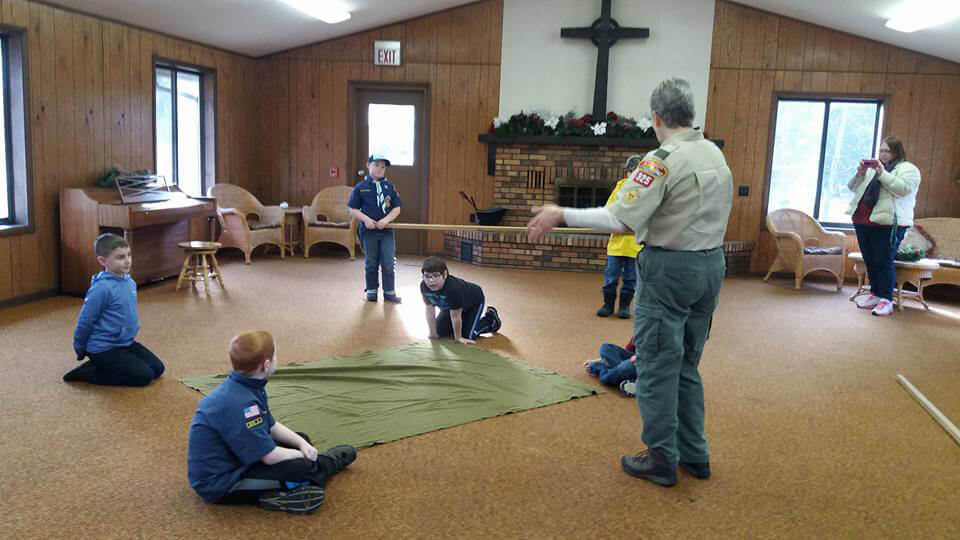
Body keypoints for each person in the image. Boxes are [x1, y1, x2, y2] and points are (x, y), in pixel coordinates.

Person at [527, 77, 733, 487]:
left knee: (656, 367)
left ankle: (660, 458)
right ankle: (695, 455)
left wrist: (560, 213)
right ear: (690, 115)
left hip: (670, 271)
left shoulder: (660, 160)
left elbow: (619, 218)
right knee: (687, 365)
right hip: (711, 267)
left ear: (656, 117)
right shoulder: (713, 153)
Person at [187, 330, 357, 515]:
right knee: (304, 468)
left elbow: (271, 425)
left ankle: (299, 478)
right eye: (275, 354)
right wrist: (301, 454)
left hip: (237, 459)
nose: (277, 357)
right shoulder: (242, 403)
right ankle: (324, 466)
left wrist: (301, 444)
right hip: (220, 483)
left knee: (301, 438)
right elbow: (269, 456)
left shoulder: (245, 385)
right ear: (266, 364)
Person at [63, 233, 165, 386]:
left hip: (123, 342)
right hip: (102, 347)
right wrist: (79, 347)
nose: (127, 260)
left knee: (157, 369)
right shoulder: (101, 288)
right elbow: (86, 320)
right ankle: (90, 371)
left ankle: (106, 365)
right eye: (120, 257)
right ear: (103, 261)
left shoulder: (129, 281)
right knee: (144, 377)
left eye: (128, 255)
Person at [846, 136, 921, 317]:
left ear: (897, 151)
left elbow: (902, 189)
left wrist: (882, 173)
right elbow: (852, 187)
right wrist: (861, 173)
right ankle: (875, 293)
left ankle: (886, 300)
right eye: (881, 151)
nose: (883, 154)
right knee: (870, 259)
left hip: (889, 223)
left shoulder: (909, 169)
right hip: (863, 220)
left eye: (887, 151)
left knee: (883, 260)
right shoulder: (873, 169)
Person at [348, 154, 403, 303]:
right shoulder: (360, 187)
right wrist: (365, 219)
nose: (379, 168)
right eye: (376, 165)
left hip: (387, 231)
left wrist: (386, 220)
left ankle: (390, 292)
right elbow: (353, 209)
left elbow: (397, 208)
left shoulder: (389, 187)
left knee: (388, 262)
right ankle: (371, 291)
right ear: (368, 165)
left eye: (383, 167)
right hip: (368, 231)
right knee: (371, 262)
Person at [597, 155, 645, 318]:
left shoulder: (647, 192)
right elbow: (610, 210)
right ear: (627, 173)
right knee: (611, 276)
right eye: (631, 172)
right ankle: (608, 304)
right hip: (617, 244)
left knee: (631, 279)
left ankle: (624, 306)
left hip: (635, 246)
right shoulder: (620, 188)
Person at [421, 256, 501, 345]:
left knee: (467, 336)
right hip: (450, 307)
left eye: (436, 275)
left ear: (445, 274)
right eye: (427, 276)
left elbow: (455, 316)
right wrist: (433, 333)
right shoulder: (424, 286)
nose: (431, 281)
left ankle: (491, 320)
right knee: (438, 331)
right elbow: (429, 310)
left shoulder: (453, 289)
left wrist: (458, 337)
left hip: (472, 303)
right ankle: (464, 323)